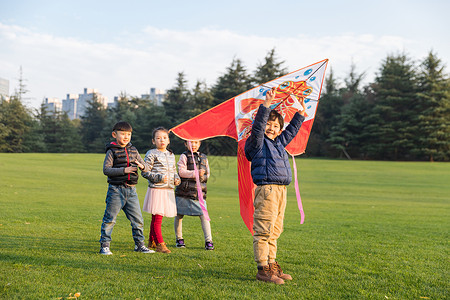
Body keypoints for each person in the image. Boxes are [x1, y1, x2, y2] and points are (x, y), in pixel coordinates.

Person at [244, 88, 306, 284]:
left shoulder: (279, 143)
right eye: (268, 124)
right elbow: (258, 128)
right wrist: (266, 106)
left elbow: (292, 131)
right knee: (264, 229)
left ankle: (272, 265)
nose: (271, 127)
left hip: (281, 191)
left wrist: (301, 113)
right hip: (267, 190)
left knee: (275, 230)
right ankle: (263, 269)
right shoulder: (256, 143)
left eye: (276, 125)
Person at [99, 121, 154, 255]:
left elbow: (146, 166)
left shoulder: (134, 150)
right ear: (114, 134)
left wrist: (142, 167)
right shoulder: (112, 151)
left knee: (138, 220)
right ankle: (105, 246)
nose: (126, 137)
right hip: (116, 190)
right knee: (110, 219)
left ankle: (139, 245)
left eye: (128, 134)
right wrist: (125, 170)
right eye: (122, 134)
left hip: (132, 191)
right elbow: (106, 170)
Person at [142, 127, 181, 253]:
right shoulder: (151, 153)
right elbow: (145, 171)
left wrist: (177, 179)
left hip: (168, 189)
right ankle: (160, 244)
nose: (162, 140)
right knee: (158, 217)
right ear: (153, 141)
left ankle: (151, 241)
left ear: (169, 140)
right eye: (158, 138)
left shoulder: (171, 155)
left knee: (158, 217)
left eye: (164, 138)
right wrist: (158, 178)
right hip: (157, 189)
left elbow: (174, 171)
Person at [174, 140, 214, 250]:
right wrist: (194, 173)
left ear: (200, 144)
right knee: (179, 215)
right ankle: (179, 239)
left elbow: (207, 173)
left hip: (199, 193)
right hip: (184, 192)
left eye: (196, 142)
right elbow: (181, 171)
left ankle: (208, 240)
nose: (194, 145)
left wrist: (202, 176)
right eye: (191, 142)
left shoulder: (204, 157)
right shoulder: (184, 156)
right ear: (186, 144)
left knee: (204, 216)